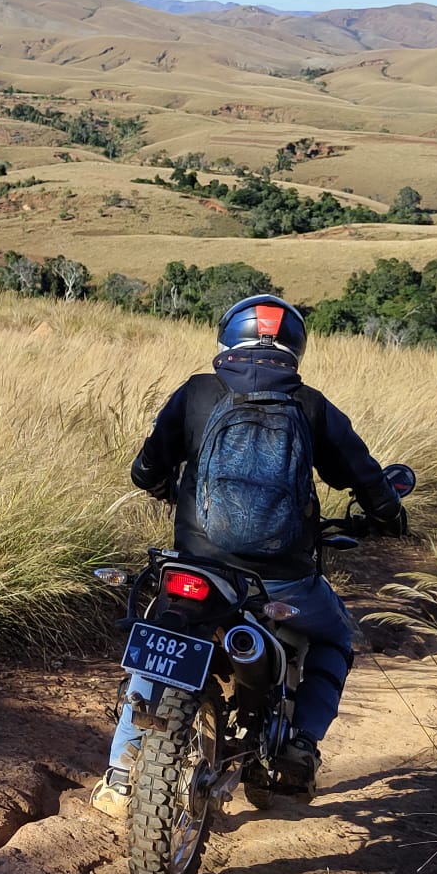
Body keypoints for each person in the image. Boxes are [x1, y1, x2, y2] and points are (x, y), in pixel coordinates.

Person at [92, 294, 407, 818]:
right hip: (281, 580)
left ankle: (121, 779)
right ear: (296, 347)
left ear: (226, 338)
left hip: (198, 567)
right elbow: (366, 478)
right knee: (335, 636)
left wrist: (170, 489)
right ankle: (301, 743)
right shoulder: (311, 406)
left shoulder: (196, 393)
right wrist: (389, 514)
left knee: (162, 641)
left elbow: (145, 471)